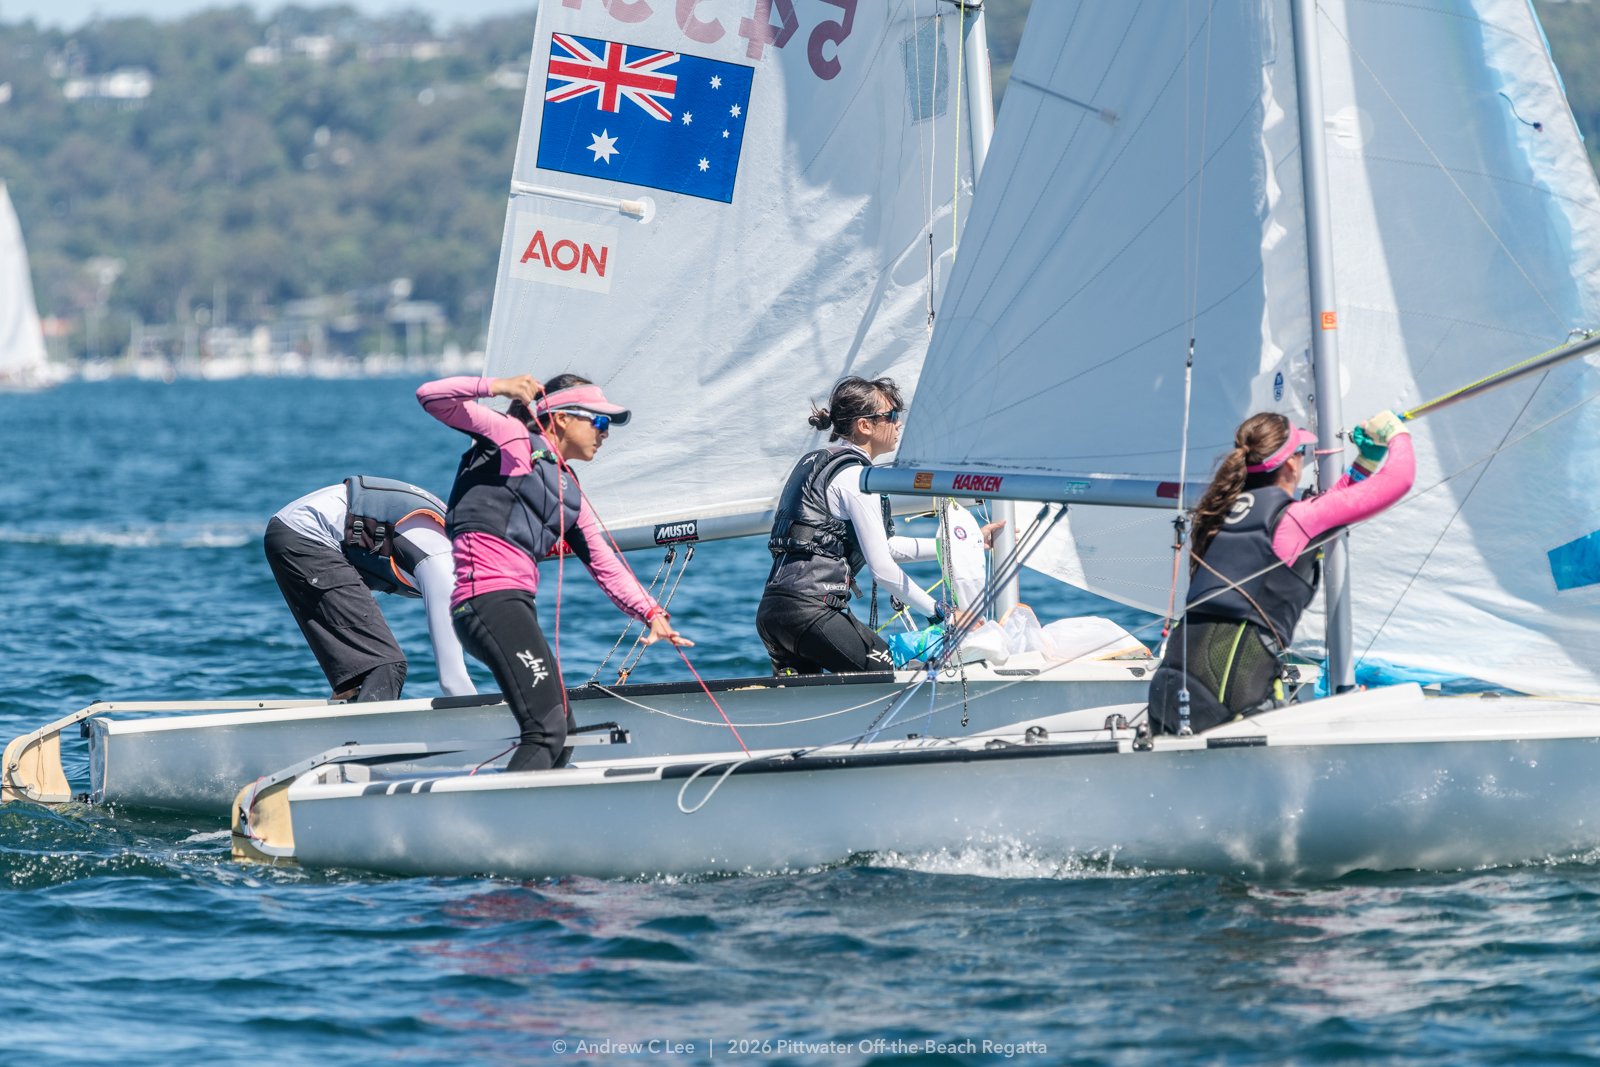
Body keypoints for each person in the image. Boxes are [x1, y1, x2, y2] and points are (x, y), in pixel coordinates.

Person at [417, 371, 690, 772]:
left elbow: (604, 563)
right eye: (599, 421)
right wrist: (497, 387)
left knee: (561, 730)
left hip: (513, 607)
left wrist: (651, 612)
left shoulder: (567, 487)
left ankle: (536, 806)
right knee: (546, 731)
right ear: (562, 418)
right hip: (486, 604)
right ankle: (501, 810)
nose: (605, 432)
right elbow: (431, 396)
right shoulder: (511, 438)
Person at [1148, 409, 1415, 734]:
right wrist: (1396, 435)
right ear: (1290, 463)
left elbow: (1330, 506)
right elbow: (1399, 481)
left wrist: (1365, 463)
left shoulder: (1222, 513)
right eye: (1301, 452)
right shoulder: (1293, 519)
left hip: (1169, 695)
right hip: (1233, 702)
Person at [756, 375, 1001, 675]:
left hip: (773, 613)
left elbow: (884, 548)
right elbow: (883, 569)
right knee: (891, 675)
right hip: (811, 614)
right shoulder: (855, 477)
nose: (899, 423)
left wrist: (962, 544)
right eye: (892, 415)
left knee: (803, 699)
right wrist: (941, 612)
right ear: (865, 425)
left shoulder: (820, 462)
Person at [263, 477, 476, 702]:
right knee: (383, 665)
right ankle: (363, 723)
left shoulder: (457, 550)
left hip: (296, 530)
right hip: (307, 535)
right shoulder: (443, 565)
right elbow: (452, 680)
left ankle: (344, 711)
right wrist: (481, 719)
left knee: (362, 669)